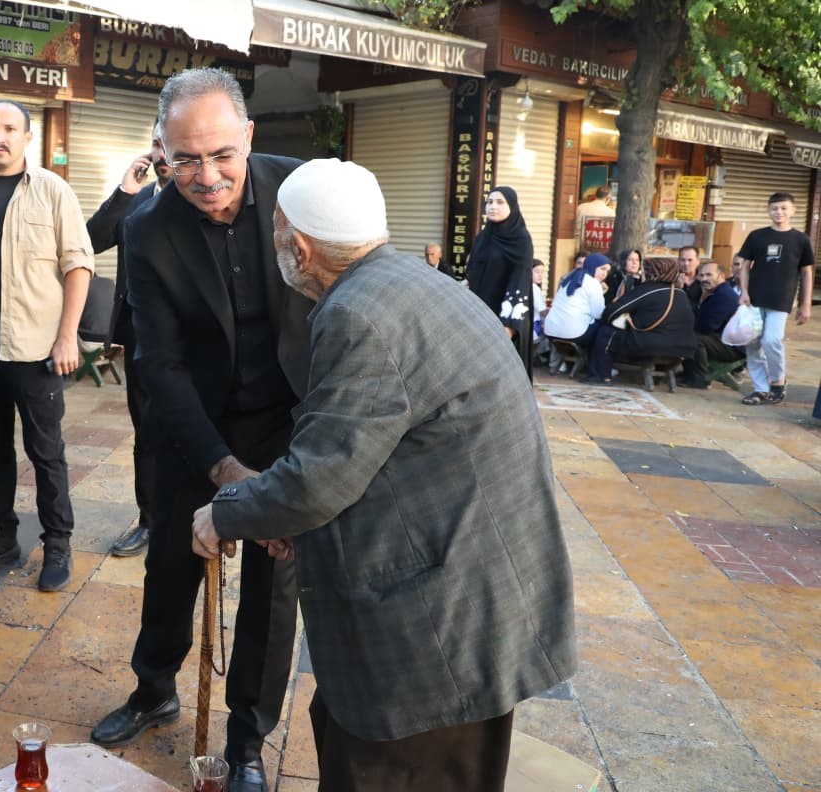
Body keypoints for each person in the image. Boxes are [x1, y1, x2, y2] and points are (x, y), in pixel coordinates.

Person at [191, 158, 575, 791]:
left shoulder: (358, 316)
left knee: (392, 770)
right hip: (478, 592)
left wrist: (224, 513)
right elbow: (377, 451)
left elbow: (320, 477)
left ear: (301, 248)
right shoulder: (411, 282)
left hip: (437, 629)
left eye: (277, 231)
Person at [89, 67, 310, 792]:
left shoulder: (301, 192)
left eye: (221, 154)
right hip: (196, 426)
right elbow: (161, 365)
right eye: (185, 159)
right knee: (171, 567)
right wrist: (220, 470)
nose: (207, 176)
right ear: (160, 152)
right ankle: (154, 687)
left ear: (249, 136)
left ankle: (247, 739)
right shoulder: (147, 230)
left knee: (275, 588)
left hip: (287, 427)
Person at [0, 99, 94, 591]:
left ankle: (58, 543)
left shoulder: (53, 191)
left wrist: (67, 335)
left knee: (45, 449)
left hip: (34, 346)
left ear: (27, 136)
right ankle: (2, 535)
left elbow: (78, 266)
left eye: (10, 128)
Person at [85, 131, 171, 557]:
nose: (163, 154)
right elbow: (91, 239)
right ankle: (149, 521)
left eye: (170, 145)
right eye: (158, 144)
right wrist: (123, 191)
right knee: (148, 435)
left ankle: (198, 517)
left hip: (195, 344)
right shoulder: (136, 201)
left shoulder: (208, 201)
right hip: (141, 340)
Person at [736, 192, 814, 405]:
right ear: (768, 210)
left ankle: (778, 381)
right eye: (774, 208)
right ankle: (760, 389)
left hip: (782, 299)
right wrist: (744, 292)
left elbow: (807, 272)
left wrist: (806, 303)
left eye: (783, 208)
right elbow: (744, 266)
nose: (778, 212)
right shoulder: (757, 236)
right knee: (752, 343)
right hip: (754, 298)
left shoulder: (801, 239)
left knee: (771, 340)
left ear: (793, 210)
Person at [581, 257, 696, 385]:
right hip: (684, 348)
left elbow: (613, 311)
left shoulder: (649, 289)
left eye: (644, 270)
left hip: (654, 345)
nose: (641, 274)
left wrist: (607, 319)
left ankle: (600, 376)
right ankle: (656, 378)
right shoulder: (680, 293)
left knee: (606, 332)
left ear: (651, 272)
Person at [464, 186, 534, 378]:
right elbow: (472, 274)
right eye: (489, 202)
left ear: (512, 206)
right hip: (478, 311)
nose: (493, 206)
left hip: (505, 315)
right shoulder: (483, 237)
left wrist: (508, 325)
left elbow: (520, 280)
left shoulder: (521, 240)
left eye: (500, 202)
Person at [681, 260, 745, 389]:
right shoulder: (715, 292)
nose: (704, 279)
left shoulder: (724, 295)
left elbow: (707, 326)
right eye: (702, 275)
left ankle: (700, 379)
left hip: (734, 348)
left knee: (694, 338)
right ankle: (687, 374)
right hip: (722, 340)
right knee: (691, 335)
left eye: (709, 275)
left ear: (721, 276)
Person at [543, 252, 611, 349]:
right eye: (602, 269)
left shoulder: (570, 278)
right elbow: (599, 314)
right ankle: (594, 363)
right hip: (574, 334)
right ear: (593, 266)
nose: (605, 274)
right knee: (604, 330)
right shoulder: (593, 282)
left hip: (550, 331)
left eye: (607, 271)